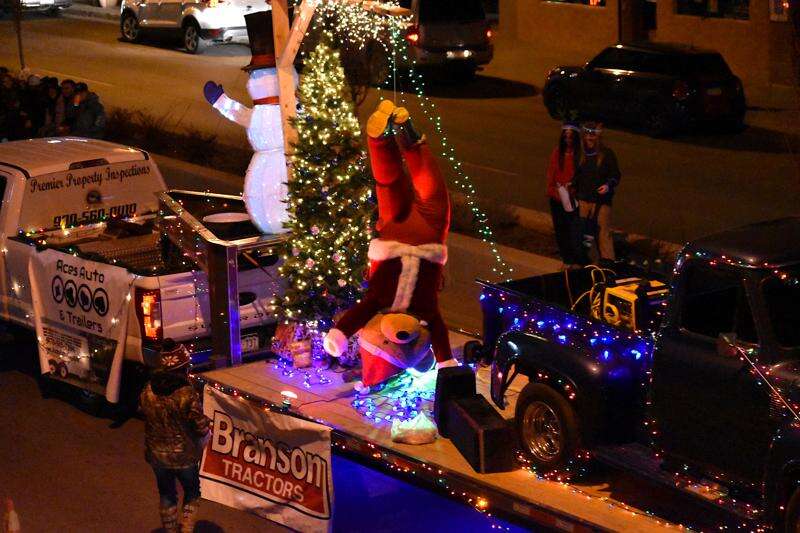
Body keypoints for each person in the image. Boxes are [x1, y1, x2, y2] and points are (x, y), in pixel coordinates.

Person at [139, 340, 209, 533]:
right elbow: (199, 425)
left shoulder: (148, 390)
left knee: (167, 494)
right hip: (184, 456)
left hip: (157, 455)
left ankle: (170, 530)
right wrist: (206, 430)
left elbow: (142, 410)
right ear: (182, 367)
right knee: (192, 492)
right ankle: (186, 529)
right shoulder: (186, 393)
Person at [573, 122, 621, 265]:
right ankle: (585, 261)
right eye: (587, 135)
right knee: (584, 233)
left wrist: (608, 185)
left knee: (602, 233)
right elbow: (577, 175)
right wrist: (572, 185)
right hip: (583, 200)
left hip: (601, 201)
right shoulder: (580, 155)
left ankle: (608, 263)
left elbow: (615, 175)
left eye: (593, 135)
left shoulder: (607, 154)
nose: (590, 138)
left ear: (598, 137)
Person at [545, 121, 583, 268]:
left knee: (572, 230)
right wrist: (553, 189)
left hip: (572, 198)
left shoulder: (579, 156)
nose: (568, 140)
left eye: (571, 137)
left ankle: (576, 260)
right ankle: (567, 260)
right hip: (557, 197)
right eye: (565, 137)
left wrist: (572, 190)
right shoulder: (557, 153)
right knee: (560, 230)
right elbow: (551, 174)